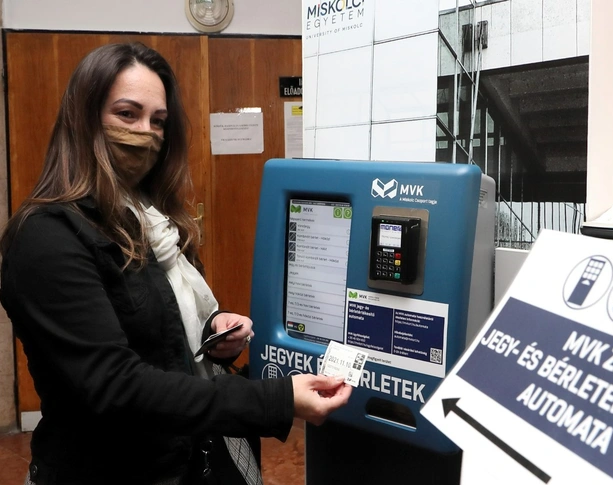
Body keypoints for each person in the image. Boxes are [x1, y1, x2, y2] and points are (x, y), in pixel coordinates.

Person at [0, 42, 352, 485]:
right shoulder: (46, 237)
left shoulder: (155, 222)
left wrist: (213, 331)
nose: (146, 133)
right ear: (83, 119)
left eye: (158, 121)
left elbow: (161, 328)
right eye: (127, 114)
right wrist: (274, 400)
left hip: (188, 459)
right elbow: (116, 386)